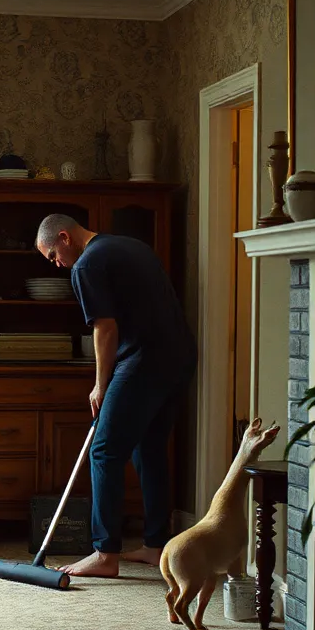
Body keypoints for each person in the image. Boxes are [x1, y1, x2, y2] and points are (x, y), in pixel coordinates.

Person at [34, 213, 196, 578]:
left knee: (105, 450)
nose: (57, 265)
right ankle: (156, 545)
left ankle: (105, 553)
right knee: (150, 447)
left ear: (64, 237)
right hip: (179, 355)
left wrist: (100, 384)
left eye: (53, 256)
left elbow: (105, 328)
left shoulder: (86, 264)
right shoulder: (130, 246)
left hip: (143, 360)